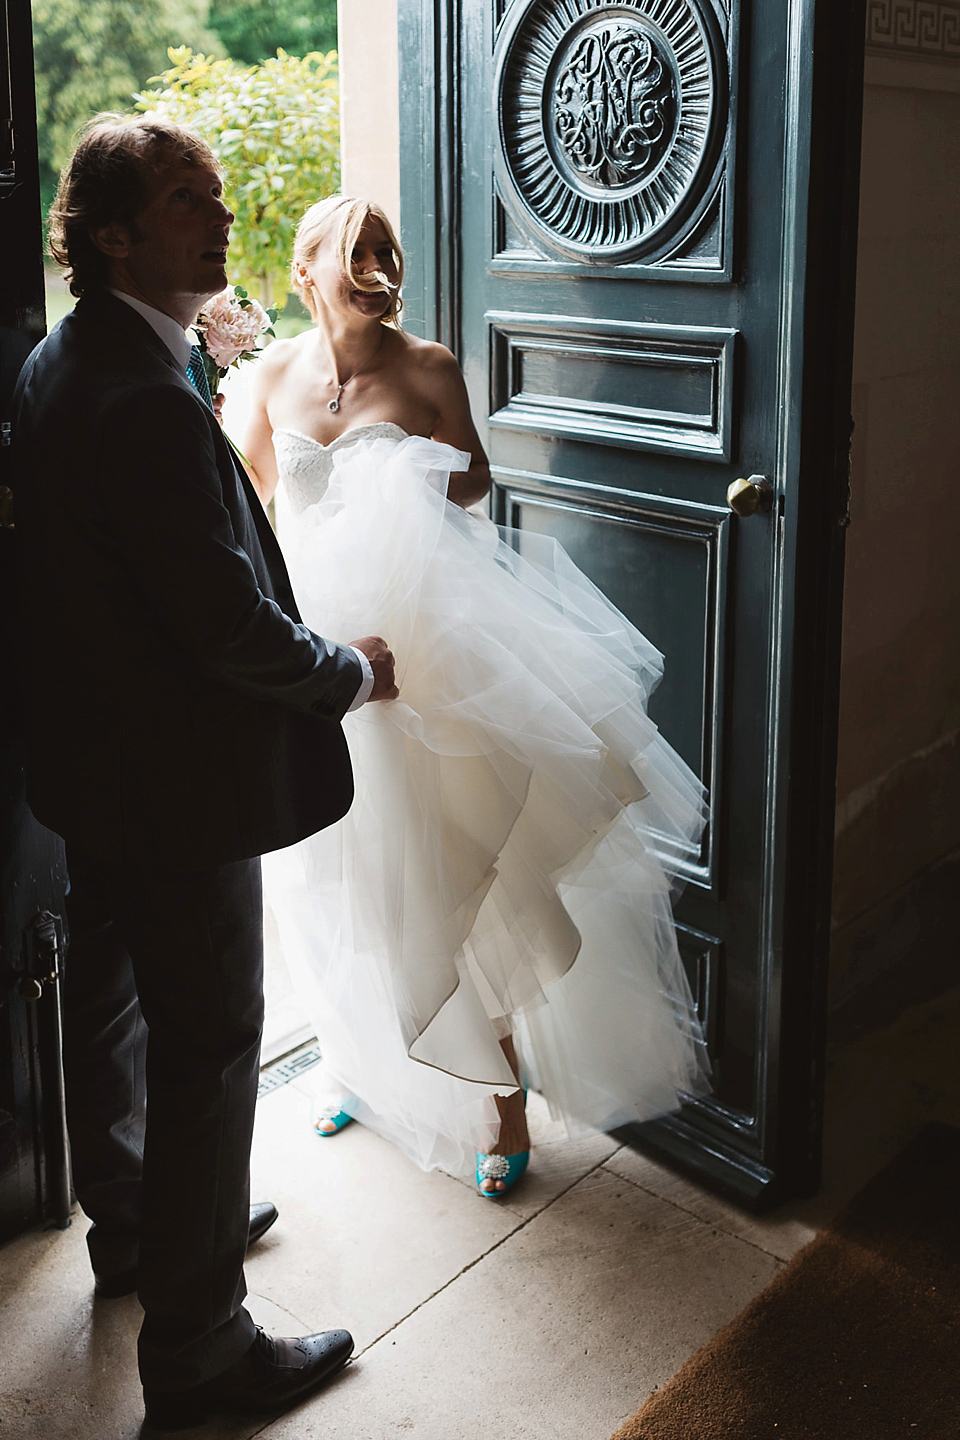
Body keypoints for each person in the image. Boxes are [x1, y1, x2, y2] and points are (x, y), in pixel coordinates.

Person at [12, 119, 397, 1431]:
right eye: (187, 203)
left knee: (113, 1012)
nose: (218, 222)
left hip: (93, 772)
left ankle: (135, 1228)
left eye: (218, 198)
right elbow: (226, 625)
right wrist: (346, 671)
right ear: (113, 232)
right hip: (173, 785)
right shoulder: (135, 400)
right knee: (211, 1041)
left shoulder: (68, 361)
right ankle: (200, 1349)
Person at [240, 196, 711, 1198]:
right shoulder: (274, 374)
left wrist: (393, 504)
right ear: (309, 267)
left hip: (427, 660)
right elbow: (252, 504)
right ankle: (360, 1065)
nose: (374, 263)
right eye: (352, 250)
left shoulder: (432, 368)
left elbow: (474, 487)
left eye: (384, 249)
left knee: (456, 883)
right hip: (318, 659)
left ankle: (504, 1112)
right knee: (337, 876)